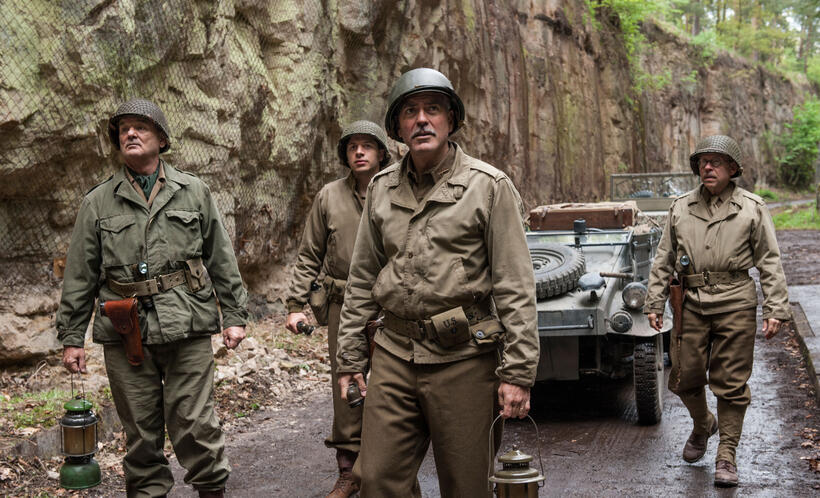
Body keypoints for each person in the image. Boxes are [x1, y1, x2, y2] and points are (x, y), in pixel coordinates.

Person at [334, 68, 539, 497]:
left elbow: (515, 286)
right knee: (375, 480)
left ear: (450, 120)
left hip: (464, 357)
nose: (421, 120)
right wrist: (351, 358)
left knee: (466, 486)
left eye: (432, 109)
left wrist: (518, 372)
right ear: (397, 128)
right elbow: (362, 278)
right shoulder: (381, 188)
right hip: (394, 352)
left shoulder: (489, 187)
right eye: (410, 111)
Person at [56, 98, 249, 498]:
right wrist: (72, 336)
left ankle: (212, 490)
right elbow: (80, 274)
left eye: (140, 127)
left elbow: (220, 257)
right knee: (141, 433)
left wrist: (234, 315)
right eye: (123, 128)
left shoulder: (194, 190)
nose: (130, 134)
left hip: (187, 323)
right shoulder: (97, 202)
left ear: (161, 139)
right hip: (126, 330)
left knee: (196, 423)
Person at [645, 135, 791, 487]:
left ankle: (727, 454)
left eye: (716, 161)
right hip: (691, 303)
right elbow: (664, 257)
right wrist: (653, 301)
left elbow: (769, 261)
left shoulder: (752, 207)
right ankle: (702, 424)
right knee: (682, 377)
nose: (707, 167)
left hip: (736, 301)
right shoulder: (680, 207)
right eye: (702, 162)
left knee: (731, 383)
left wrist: (776, 307)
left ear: (733, 169)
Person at [284, 120, 390, 498]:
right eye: (352, 147)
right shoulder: (329, 196)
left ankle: (385, 468)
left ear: (381, 152)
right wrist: (295, 305)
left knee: (393, 387)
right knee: (347, 386)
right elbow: (310, 253)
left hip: (391, 306)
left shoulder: (397, 189)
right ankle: (349, 472)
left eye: (367, 146)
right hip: (342, 304)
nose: (359, 152)